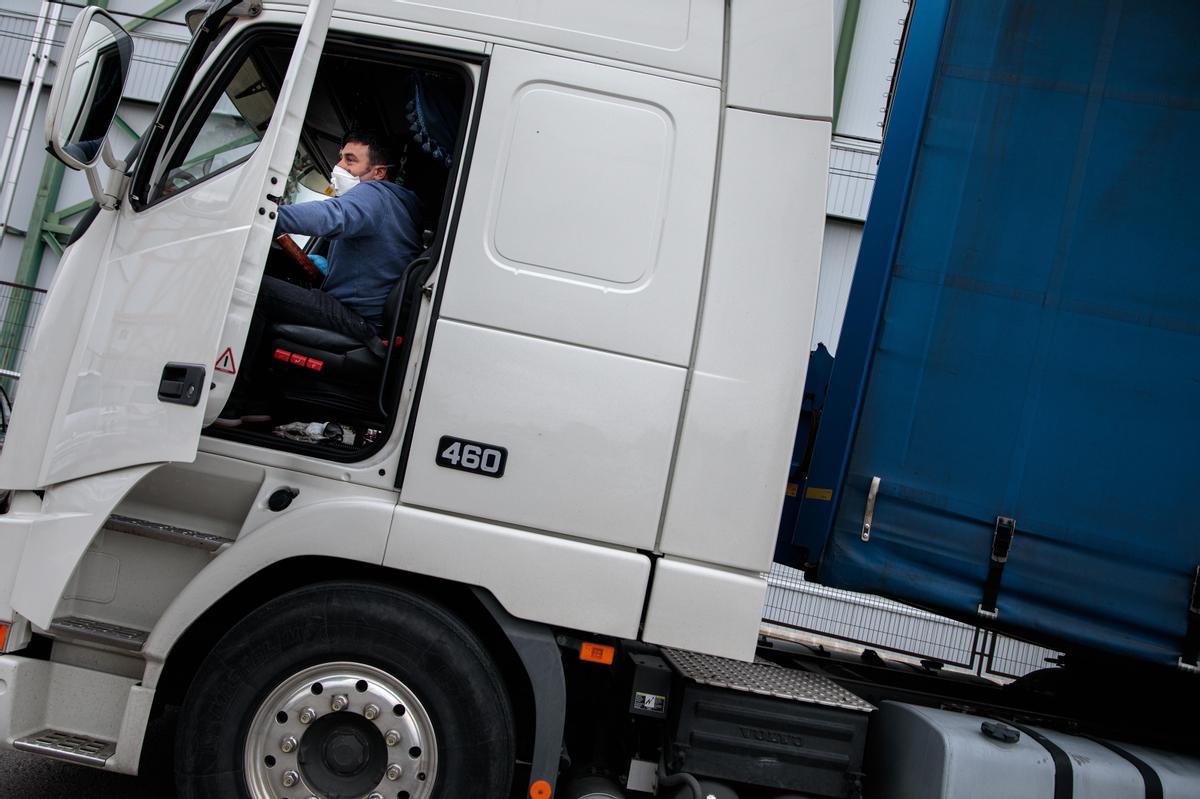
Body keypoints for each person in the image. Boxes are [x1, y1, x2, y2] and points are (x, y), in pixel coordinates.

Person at [216, 131, 423, 426]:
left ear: (378, 172)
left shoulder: (373, 194)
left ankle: (231, 404)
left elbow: (332, 215)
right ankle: (258, 403)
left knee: (253, 289)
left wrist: (262, 215)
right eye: (340, 157)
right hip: (367, 318)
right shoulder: (399, 206)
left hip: (356, 319)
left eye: (350, 160)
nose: (338, 166)